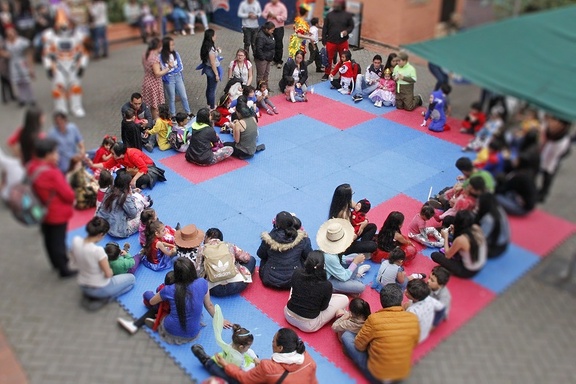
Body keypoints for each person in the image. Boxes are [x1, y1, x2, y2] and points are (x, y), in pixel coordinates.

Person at [342, 283, 419, 383]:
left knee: (346, 336)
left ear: (381, 301)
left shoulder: (374, 319)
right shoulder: (413, 318)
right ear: (401, 300)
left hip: (378, 376)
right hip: (402, 373)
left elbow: (359, 345)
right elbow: (414, 342)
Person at [147, 257, 232, 344]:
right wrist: (220, 320)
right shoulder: (202, 283)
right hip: (194, 333)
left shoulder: (169, 289)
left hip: (171, 332)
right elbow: (209, 305)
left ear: (176, 274)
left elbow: (152, 302)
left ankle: (157, 321)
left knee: (151, 297)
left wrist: (149, 294)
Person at [27, 138, 76, 278]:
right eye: (55, 152)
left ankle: (55, 263)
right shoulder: (52, 173)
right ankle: (64, 269)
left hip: (41, 209)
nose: (57, 155)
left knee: (49, 238)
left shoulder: (32, 166)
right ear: (47, 154)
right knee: (58, 241)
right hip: (56, 213)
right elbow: (68, 194)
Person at [215, 328, 318, 383]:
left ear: (280, 348)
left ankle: (207, 361)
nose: (271, 343)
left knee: (232, 378)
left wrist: (226, 365)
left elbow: (244, 378)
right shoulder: (308, 360)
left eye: (273, 341)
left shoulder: (267, 367)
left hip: (255, 372)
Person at [71, 216, 135, 303]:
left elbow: (74, 263)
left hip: (83, 284)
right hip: (99, 288)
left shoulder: (76, 241)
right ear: (101, 234)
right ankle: (106, 298)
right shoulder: (98, 251)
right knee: (132, 280)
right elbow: (109, 274)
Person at [284, 250, 349, 333]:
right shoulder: (326, 285)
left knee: (295, 287)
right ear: (323, 266)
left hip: (288, 314)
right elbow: (323, 308)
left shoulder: (297, 273)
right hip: (308, 325)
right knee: (344, 299)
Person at [42, 8, 89, 117]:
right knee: (58, 88)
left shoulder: (76, 37)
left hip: (73, 66)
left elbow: (84, 53)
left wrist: (82, 66)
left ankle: (76, 107)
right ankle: (61, 108)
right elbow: (47, 55)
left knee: (75, 88)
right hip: (59, 66)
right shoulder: (51, 38)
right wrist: (49, 67)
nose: (64, 29)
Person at [257, 211, 312, 289]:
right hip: (294, 279)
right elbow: (309, 256)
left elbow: (260, 254)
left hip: (270, 279)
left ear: (276, 224)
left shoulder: (268, 239)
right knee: (301, 253)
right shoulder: (302, 239)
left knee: (265, 256)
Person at [192, 323, 259, 384]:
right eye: (248, 346)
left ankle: (207, 360)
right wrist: (254, 367)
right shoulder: (238, 359)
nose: (249, 348)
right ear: (241, 347)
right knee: (227, 377)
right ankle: (206, 360)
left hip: (227, 358)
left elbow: (248, 351)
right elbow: (242, 371)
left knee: (250, 356)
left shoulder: (233, 344)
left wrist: (255, 358)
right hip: (231, 367)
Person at [317, 218, 369, 295]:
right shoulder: (330, 256)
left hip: (334, 271)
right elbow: (344, 276)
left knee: (355, 256)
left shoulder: (328, 248)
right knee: (361, 287)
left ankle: (350, 286)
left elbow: (341, 259)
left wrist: (352, 259)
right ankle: (354, 282)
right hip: (329, 280)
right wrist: (355, 262)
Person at [199, 227, 256, 297]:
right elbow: (246, 258)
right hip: (236, 285)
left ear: (206, 237)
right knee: (252, 259)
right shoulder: (228, 245)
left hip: (213, 289)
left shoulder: (201, 249)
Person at [431, 210, 487, 278]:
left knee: (435, 255)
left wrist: (446, 237)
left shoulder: (461, 240)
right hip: (478, 262)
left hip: (468, 270)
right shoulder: (477, 228)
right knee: (451, 240)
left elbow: (447, 255)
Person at [95, 172, 151, 238]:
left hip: (102, 222)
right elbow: (133, 214)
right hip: (117, 230)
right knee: (146, 216)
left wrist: (132, 192)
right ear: (127, 185)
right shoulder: (124, 197)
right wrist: (130, 195)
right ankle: (145, 203)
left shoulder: (110, 189)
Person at [90, 142, 166, 190]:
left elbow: (144, 168)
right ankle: (134, 181)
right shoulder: (117, 157)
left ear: (120, 154)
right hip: (132, 169)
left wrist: (134, 179)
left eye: (113, 154)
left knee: (143, 179)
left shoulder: (132, 154)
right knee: (119, 173)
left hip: (148, 168)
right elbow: (106, 165)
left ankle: (141, 182)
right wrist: (92, 165)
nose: (111, 155)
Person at [328, 184, 377, 255]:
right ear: (347, 197)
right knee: (373, 245)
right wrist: (356, 234)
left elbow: (361, 209)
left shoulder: (343, 203)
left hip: (351, 231)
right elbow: (348, 238)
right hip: (344, 244)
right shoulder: (343, 214)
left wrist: (364, 223)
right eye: (352, 194)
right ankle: (362, 248)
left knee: (372, 226)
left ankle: (363, 245)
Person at [537, 115, 572, 203]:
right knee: (545, 168)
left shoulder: (562, 140)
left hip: (556, 151)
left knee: (549, 171)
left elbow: (555, 155)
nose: (551, 123)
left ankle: (543, 193)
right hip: (549, 147)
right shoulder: (548, 127)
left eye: (553, 121)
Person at [1, 26, 35, 107]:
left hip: (22, 62)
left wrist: (31, 67)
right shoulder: (5, 43)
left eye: (12, 33)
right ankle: (22, 99)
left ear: (15, 33)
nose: (10, 35)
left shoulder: (22, 41)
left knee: (26, 81)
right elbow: (1, 51)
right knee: (19, 83)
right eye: (8, 34)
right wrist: (5, 54)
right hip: (13, 63)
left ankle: (31, 98)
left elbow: (29, 52)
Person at [403, 278, 445, 343]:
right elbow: (441, 308)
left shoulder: (412, 311)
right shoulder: (429, 298)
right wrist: (434, 324)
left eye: (408, 293)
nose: (405, 291)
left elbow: (406, 326)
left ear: (416, 298)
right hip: (424, 331)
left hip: (416, 338)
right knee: (405, 305)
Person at [321, 0, 354, 81]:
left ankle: (343, 74)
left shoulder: (348, 15)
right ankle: (327, 73)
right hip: (331, 41)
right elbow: (325, 27)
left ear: (342, 4)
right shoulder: (329, 15)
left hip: (343, 42)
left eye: (337, 3)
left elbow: (351, 26)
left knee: (344, 59)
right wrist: (324, 39)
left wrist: (347, 31)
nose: (335, 4)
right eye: (335, 3)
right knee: (328, 58)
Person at [159, 36, 191, 117]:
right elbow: (163, 69)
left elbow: (181, 67)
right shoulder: (161, 57)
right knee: (172, 98)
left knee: (184, 96)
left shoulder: (176, 54)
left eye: (173, 44)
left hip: (178, 76)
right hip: (169, 79)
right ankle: (173, 115)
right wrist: (172, 68)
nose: (173, 46)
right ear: (166, 46)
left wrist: (171, 68)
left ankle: (188, 113)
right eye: (171, 45)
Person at [475, 192, 510, 258]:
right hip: (503, 242)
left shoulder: (489, 219)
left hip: (495, 248)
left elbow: (479, 238)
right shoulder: (498, 208)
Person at [141, 38, 169, 119]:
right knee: (155, 106)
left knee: (151, 104)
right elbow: (157, 74)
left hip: (147, 80)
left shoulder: (145, 54)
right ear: (158, 46)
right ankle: (156, 122)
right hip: (154, 83)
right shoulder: (154, 58)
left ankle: (152, 120)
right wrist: (168, 68)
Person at [262, 0, 288, 69]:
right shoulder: (268, 5)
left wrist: (275, 16)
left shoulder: (282, 7)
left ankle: (279, 61)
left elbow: (284, 17)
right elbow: (264, 14)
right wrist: (268, 15)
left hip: (278, 28)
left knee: (278, 44)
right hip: (269, 28)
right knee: (269, 43)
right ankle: (272, 59)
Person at [200, 29, 221, 110]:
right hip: (212, 70)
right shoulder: (210, 50)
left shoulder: (206, 46)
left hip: (207, 68)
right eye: (214, 35)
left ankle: (209, 103)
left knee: (209, 87)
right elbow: (213, 63)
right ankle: (212, 107)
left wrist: (216, 50)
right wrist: (216, 74)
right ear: (211, 37)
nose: (216, 36)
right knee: (212, 89)